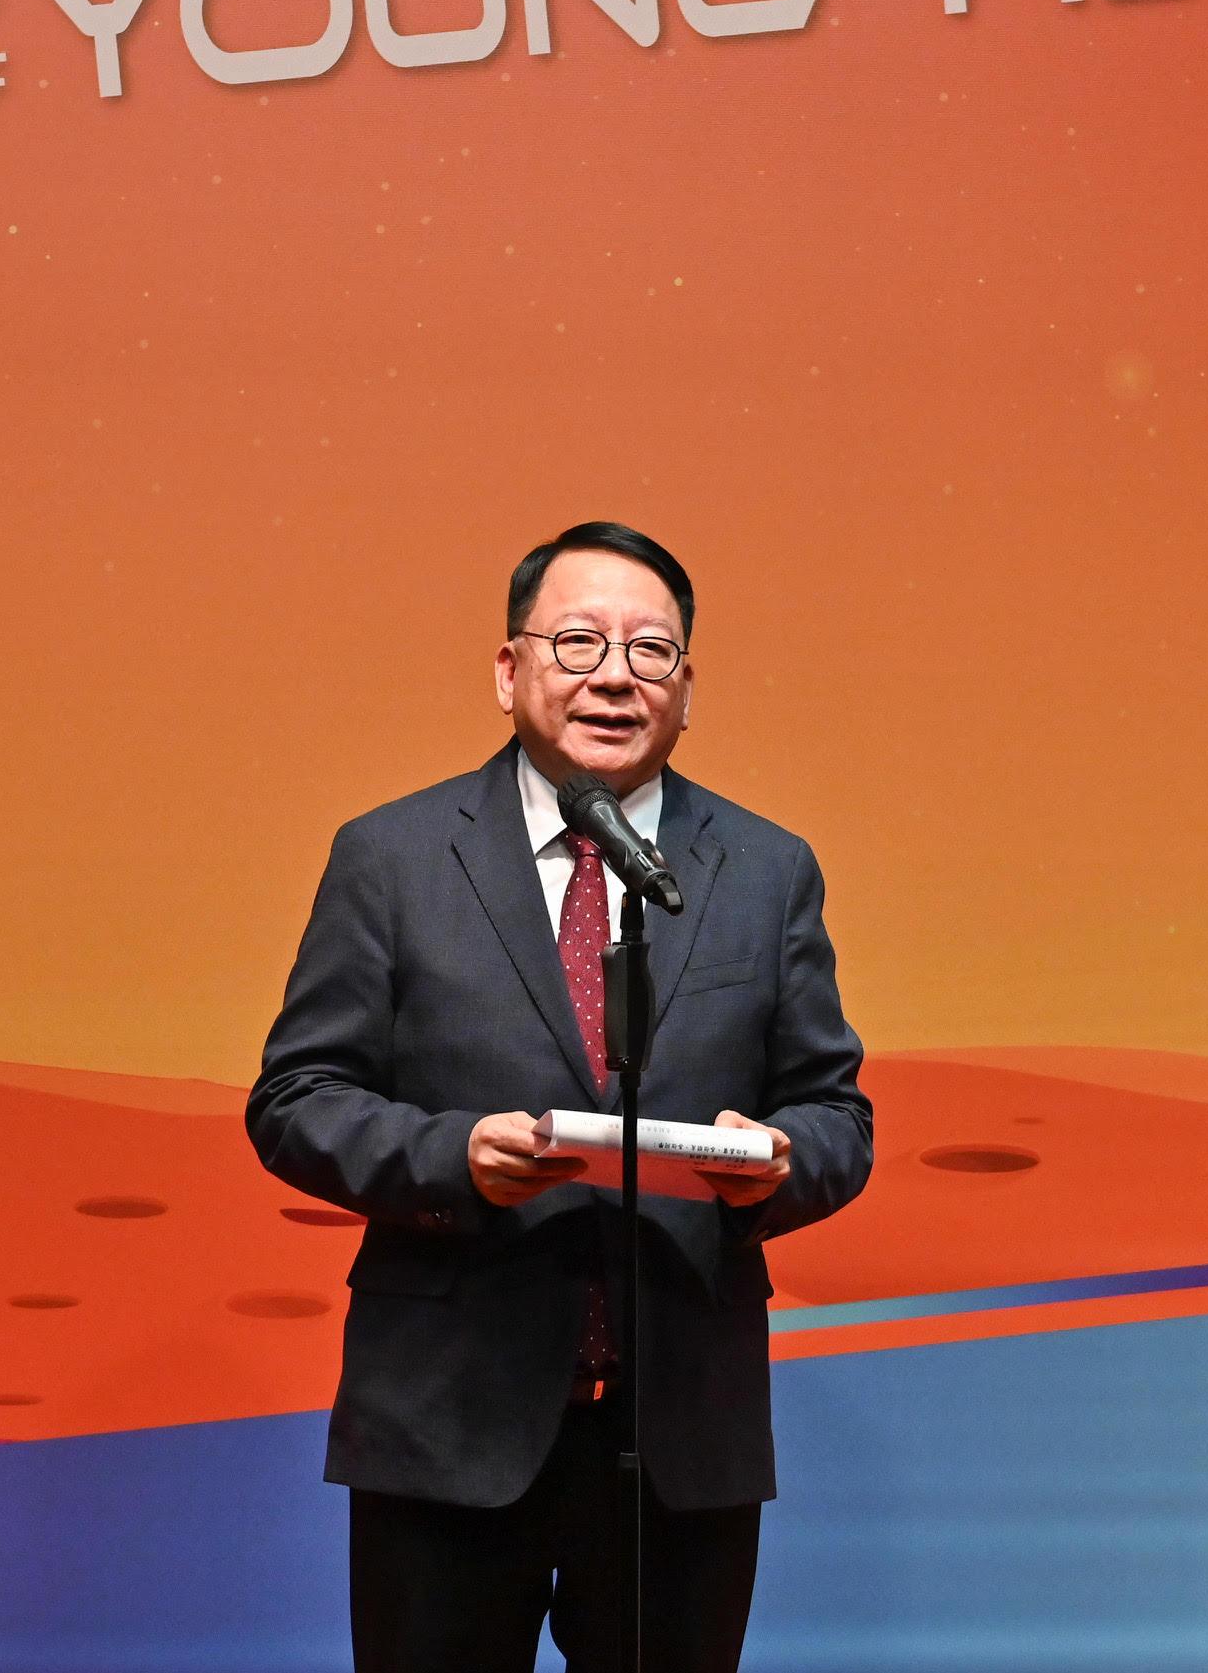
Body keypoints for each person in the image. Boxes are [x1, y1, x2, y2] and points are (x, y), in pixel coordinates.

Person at [247, 521, 874, 1673]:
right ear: (508, 670)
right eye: (577, 641)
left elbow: (837, 1113)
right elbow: (295, 1098)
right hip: (445, 1423)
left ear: (687, 689)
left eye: (650, 652)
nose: (613, 676)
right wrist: (450, 1158)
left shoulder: (767, 868)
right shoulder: (389, 858)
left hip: (677, 1434)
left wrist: (779, 1158)